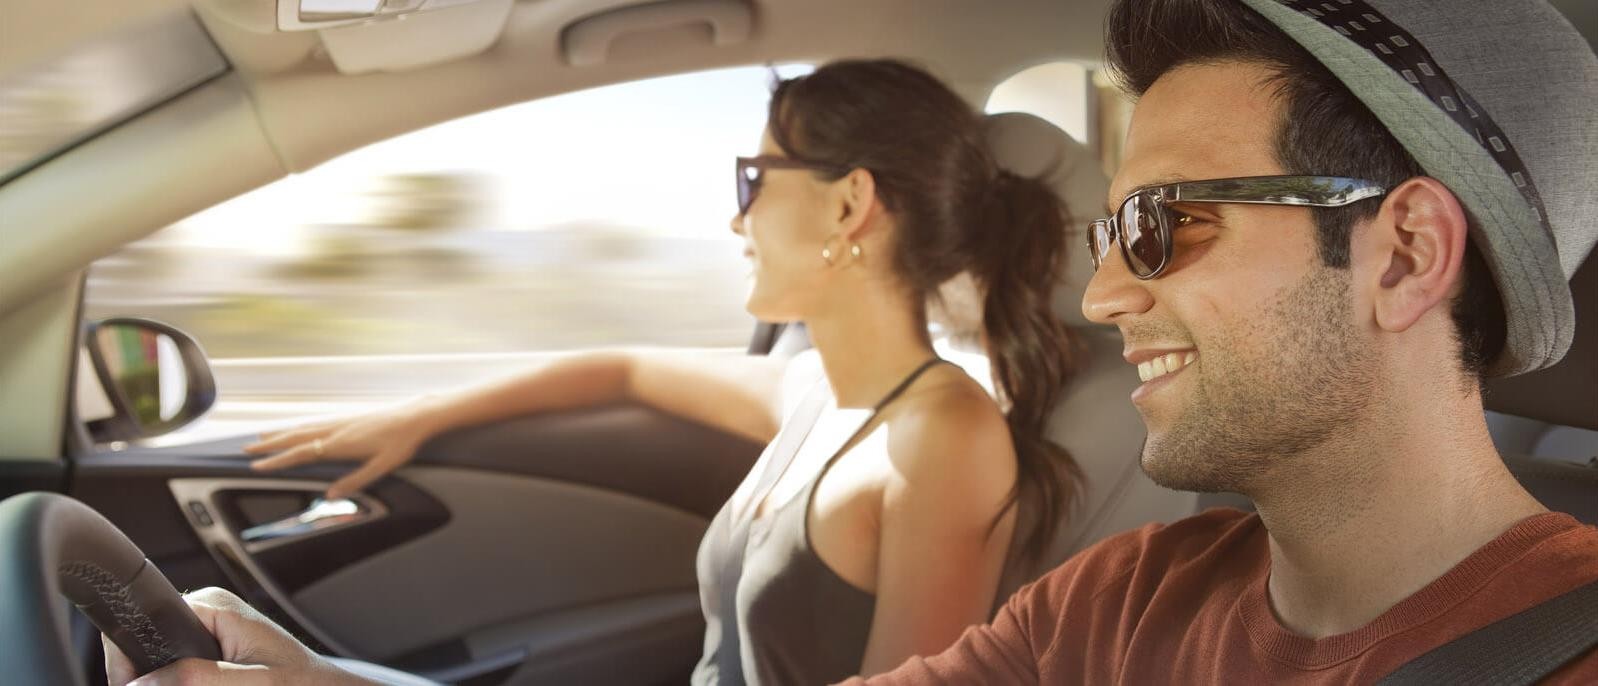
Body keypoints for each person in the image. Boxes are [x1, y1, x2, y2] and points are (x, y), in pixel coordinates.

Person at [105, 59, 1087, 685]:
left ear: (847, 206)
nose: (736, 219)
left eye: (755, 181)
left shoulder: (941, 438)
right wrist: (422, 416)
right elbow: (620, 370)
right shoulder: (814, 395)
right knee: (245, 637)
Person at [841, 0, 1598, 682]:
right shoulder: (1115, 603)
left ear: (1406, 255)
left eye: (1161, 225)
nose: (1101, 297)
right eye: (1113, 233)